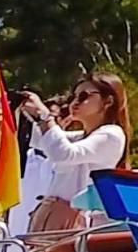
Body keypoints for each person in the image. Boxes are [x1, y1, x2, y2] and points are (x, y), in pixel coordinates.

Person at [18, 75, 130, 227]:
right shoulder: (81, 138)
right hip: (54, 215)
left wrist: (44, 115)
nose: (75, 102)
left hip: (72, 220)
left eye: (84, 96)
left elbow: (63, 153)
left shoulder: (112, 134)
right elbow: (40, 141)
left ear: (108, 101)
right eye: (73, 97)